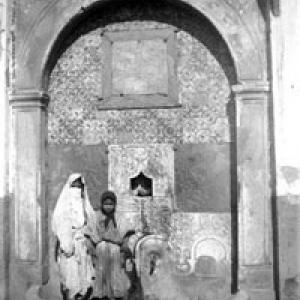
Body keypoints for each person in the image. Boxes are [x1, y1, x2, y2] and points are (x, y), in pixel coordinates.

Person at [52, 173, 96, 300]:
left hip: (83, 247)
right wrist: (67, 243)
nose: (76, 190)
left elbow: (91, 224)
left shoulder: (85, 205)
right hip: (68, 247)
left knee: (85, 282)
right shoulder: (63, 207)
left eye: (79, 187)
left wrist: (87, 237)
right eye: (74, 187)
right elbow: (60, 225)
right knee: (70, 281)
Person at [91, 191, 130, 300]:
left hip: (115, 247)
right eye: (106, 204)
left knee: (114, 255)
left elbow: (123, 234)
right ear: (102, 204)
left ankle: (116, 292)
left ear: (115, 205)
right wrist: (102, 238)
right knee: (102, 251)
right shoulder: (96, 216)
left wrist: (111, 238)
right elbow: (93, 234)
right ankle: (100, 292)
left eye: (111, 204)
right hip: (100, 246)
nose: (108, 207)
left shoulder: (119, 217)